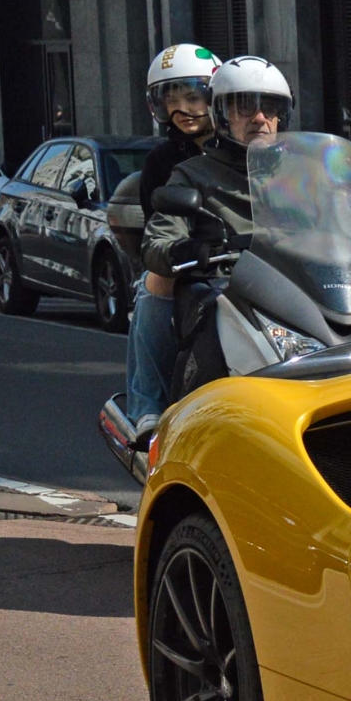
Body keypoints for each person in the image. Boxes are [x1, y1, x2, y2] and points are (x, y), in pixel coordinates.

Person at [143, 55, 292, 394]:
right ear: (221, 115)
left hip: (297, 293)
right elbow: (158, 240)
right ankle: (155, 407)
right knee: (158, 287)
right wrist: (185, 248)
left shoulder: (302, 173)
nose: (260, 118)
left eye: (270, 108)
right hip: (228, 293)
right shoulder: (192, 174)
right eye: (244, 108)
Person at [122, 44, 220, 427]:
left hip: (256, 259)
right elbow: (157, 229)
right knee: (156, 281)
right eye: (171, 100)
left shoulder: (248, 150)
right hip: (194, 262)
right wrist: (183, 249)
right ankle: (147, 406)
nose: (183, 110)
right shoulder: (162, 161)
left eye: (193, 97)